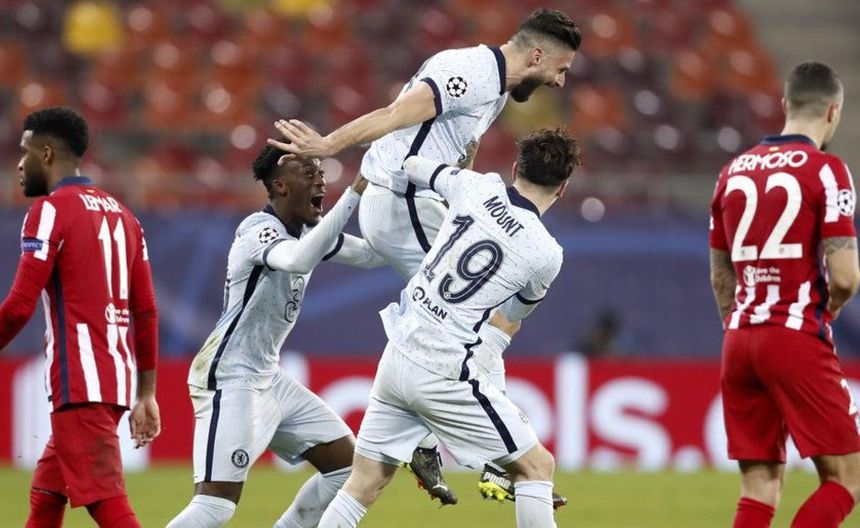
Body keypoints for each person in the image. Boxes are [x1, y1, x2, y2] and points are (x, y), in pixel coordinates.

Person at [269, 7, 581, 506]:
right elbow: (394, 114)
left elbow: (462, 150)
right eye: (561, 69)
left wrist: (464, 201)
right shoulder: (469, 72)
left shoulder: (496, 89)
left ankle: (431, 436)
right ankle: (483, 455)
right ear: (538, 55)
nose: (560, 82)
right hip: (401, 198)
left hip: (409, 203)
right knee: (471, 316)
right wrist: (328, 145)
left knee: (457, 316)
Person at [317, 128, 580, 528]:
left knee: (364, 483)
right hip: (443, 370)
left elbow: (412, 164)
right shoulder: (547, 254)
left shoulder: (475, 186)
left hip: (398, 352)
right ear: (562, 188)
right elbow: (509, 319)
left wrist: (453, 154)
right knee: (536, 467)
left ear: (515, 169)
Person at [166, 143, 385, 528]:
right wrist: (353, 193)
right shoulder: (258, 230)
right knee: (215, 506)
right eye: (309, 173)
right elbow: (297, 259)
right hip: (230, 375)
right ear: (280, 185)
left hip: (268, 376)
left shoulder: (310, 231)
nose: (321, 181)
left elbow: (370, 255)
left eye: (321, 173)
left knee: (347, 470)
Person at [709, 61, 860, 528]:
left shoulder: (731, 172)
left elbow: (721, 275)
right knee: (848, 479)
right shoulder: (828, 170)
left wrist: (741, 323)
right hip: (793, 336)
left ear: (784, 105)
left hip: (739, 339)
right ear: (833, 111)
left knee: (759, 487)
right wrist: (830, 308)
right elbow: (845, 277)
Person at [0, 107, 160, 528]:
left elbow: (19, 306)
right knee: (46, 495)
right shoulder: (125, 216)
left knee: (107, 502)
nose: (19, 164)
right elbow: (145, 310)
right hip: (114, 383)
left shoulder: (50, 211)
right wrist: (146, 393)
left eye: (24, 152)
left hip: (80, 382)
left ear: (46, 154)